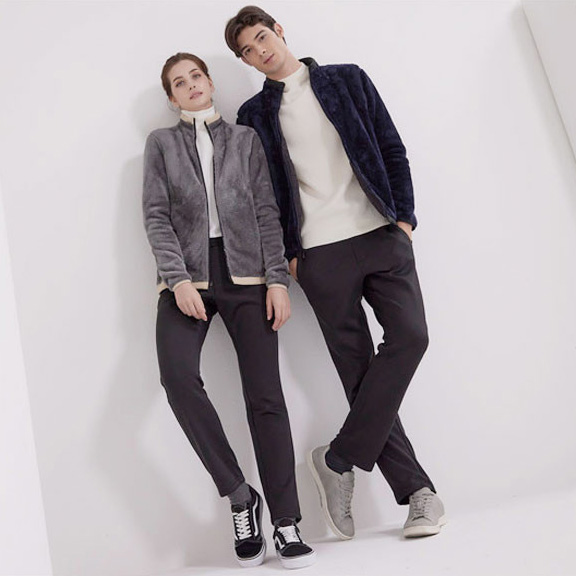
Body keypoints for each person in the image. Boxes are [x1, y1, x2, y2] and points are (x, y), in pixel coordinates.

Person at [225, 7, 446, 540]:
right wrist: (290, 258)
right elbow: (262, 197)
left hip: (379, 232)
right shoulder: (253, 115)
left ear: (279, 31)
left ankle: (339, 458)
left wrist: (403, 220)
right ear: (245, 61)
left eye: (263, 38)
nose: (261, 52)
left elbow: (391, 146)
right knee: (359, 374)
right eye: (249, 51)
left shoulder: (347, 79)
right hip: (318, 255)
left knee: (411, 337)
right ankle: (418, 494)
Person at [142, 52, 316, 569]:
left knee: (265, 397)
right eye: (180, 83)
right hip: (186, 278)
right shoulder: (161, 144)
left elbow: (266, 211)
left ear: (210, 82)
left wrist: (277, 280)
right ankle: (240, 495)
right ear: (171, 97)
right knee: (177, 377)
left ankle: (286, 522)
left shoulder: (244, 140)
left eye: (196, 76)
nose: (191, 85)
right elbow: (156, 216)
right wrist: (178, 280)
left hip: (249, 277)